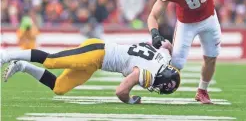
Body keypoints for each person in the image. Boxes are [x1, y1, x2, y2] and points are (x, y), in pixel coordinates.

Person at [147, 0, 236, 104]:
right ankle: (153, 71)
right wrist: (154, 33)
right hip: (186, 24)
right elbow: (153, 15)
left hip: (209, 18)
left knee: (211, 57)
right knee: (176, 65)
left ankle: (202, 91)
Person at [1, 39, 180, 104]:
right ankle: (7, 55)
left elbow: (166, 46)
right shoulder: (149, 73)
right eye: (160, 86)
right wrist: (131, 101)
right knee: (51, 61)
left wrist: (160, 41)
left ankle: (22, 66)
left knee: (59, 88)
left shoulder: (163, 59)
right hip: (98, 52)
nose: (156, 87)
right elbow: (121, 91)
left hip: (96, 63)